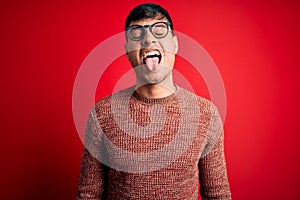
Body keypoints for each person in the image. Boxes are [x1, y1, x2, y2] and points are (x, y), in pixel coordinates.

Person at [78, 3, 231, 200]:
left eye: (159, 31)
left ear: (175, 44)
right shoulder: (102, 113)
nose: (149, 39)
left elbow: (218, 194)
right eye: (137, 34)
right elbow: (88, 195)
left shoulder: (206, 114)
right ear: (127, 50)